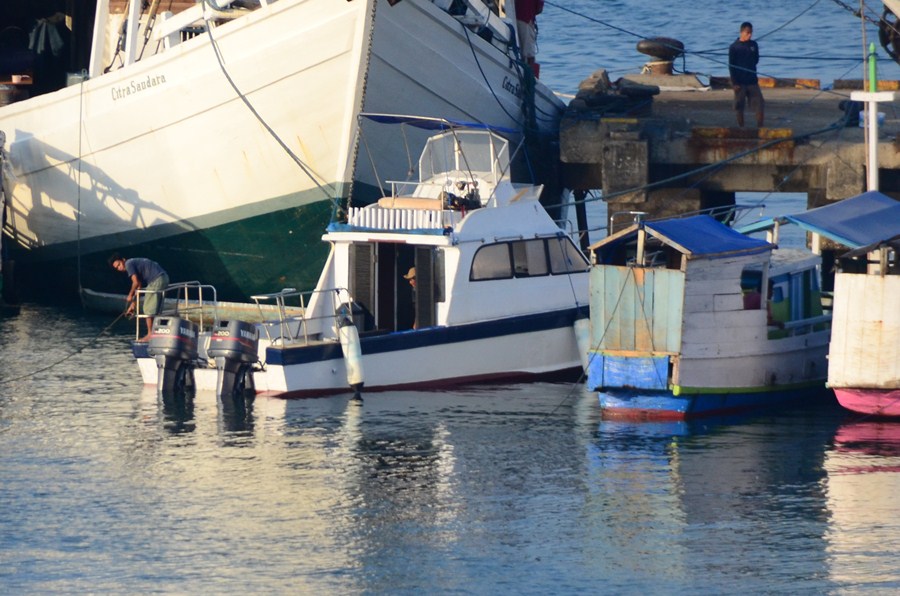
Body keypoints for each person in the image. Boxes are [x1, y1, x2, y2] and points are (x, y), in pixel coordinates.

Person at [108, 253, 169, 341]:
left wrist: (129, 295)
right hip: (164, 278)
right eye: (117, 268)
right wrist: (133, 304)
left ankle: (150, 334)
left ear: (123, 260)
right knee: (155, 309)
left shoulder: (128, 264)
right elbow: (139, 286)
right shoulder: (134, 263)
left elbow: (135, 283)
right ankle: (156, 332)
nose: (119, 268)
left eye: (119, 265)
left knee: (148, 309)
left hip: (156, 280)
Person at [728, 21, 764, 128]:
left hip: (752, 81)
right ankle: (741, 127)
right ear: (742, 32)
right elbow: (731, 65)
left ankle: (760, 127)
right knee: (739, 106)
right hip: (740, 82)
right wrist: (734, 83)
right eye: (748, 33)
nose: (750, 35)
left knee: (760, 104)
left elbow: (756, 59)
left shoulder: (753, 45)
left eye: (751, 33)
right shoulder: (734, 47)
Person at [514, 0, 543, 70]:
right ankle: (528, 75)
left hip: (515, 17)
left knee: (521, 51)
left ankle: (522, 70)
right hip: (526, 19)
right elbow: (539, 9)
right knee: (530, 54)